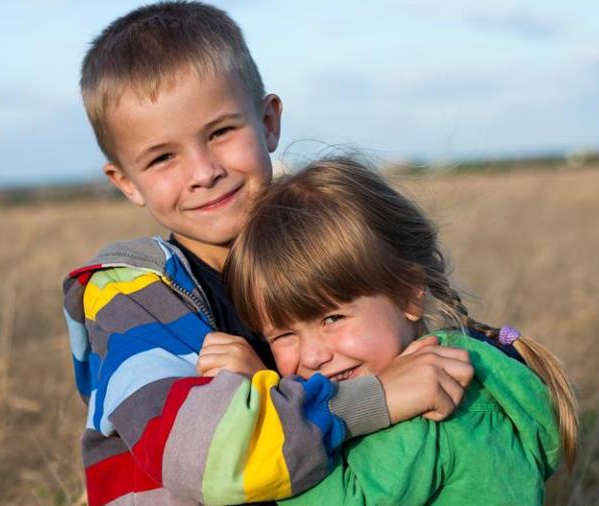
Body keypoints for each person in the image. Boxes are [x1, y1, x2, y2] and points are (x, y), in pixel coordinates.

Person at [62, 3, 474, 505]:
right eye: (163, 157)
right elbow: (215, 460)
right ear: (126, 182)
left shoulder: (302, 247)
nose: (203, 171)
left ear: (268, 120)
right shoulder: (129, 296)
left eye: (220, 133)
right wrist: (381, 397)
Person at [221, 156, 579, 505]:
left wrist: (266, 408)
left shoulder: (431, 411)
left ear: (409, 294)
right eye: (283, 335)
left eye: (332, 318)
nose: (314, 355)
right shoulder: (456, 369)